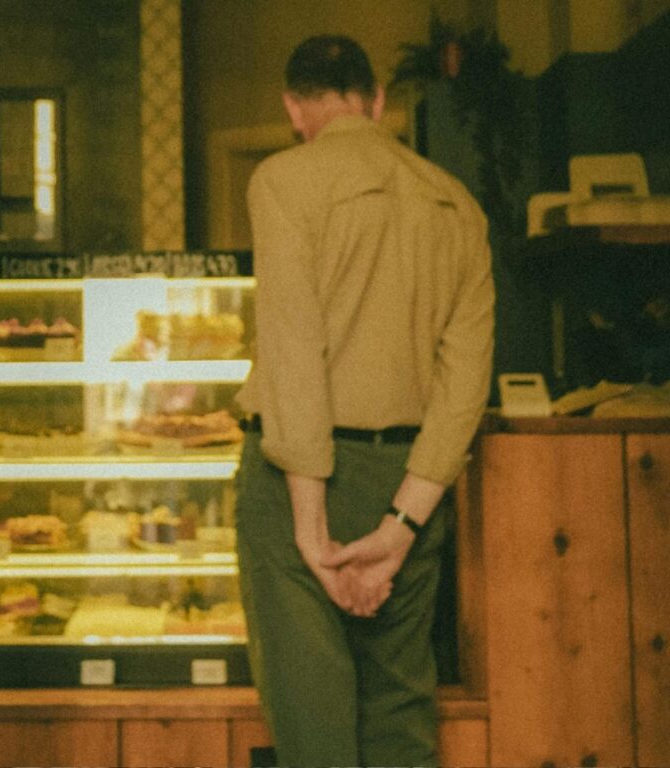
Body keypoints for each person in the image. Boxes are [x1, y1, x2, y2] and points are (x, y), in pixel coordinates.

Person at [234, 34, 494, 767]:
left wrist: (311, 534)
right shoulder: (459, 206)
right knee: (401, 718)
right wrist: (403, 524)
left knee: (315, 731)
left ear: (294, 107)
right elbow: (464, 384)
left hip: (299, 485)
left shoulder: (284, 182)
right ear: (375, 101)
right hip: (407, 482)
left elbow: (293, 354)